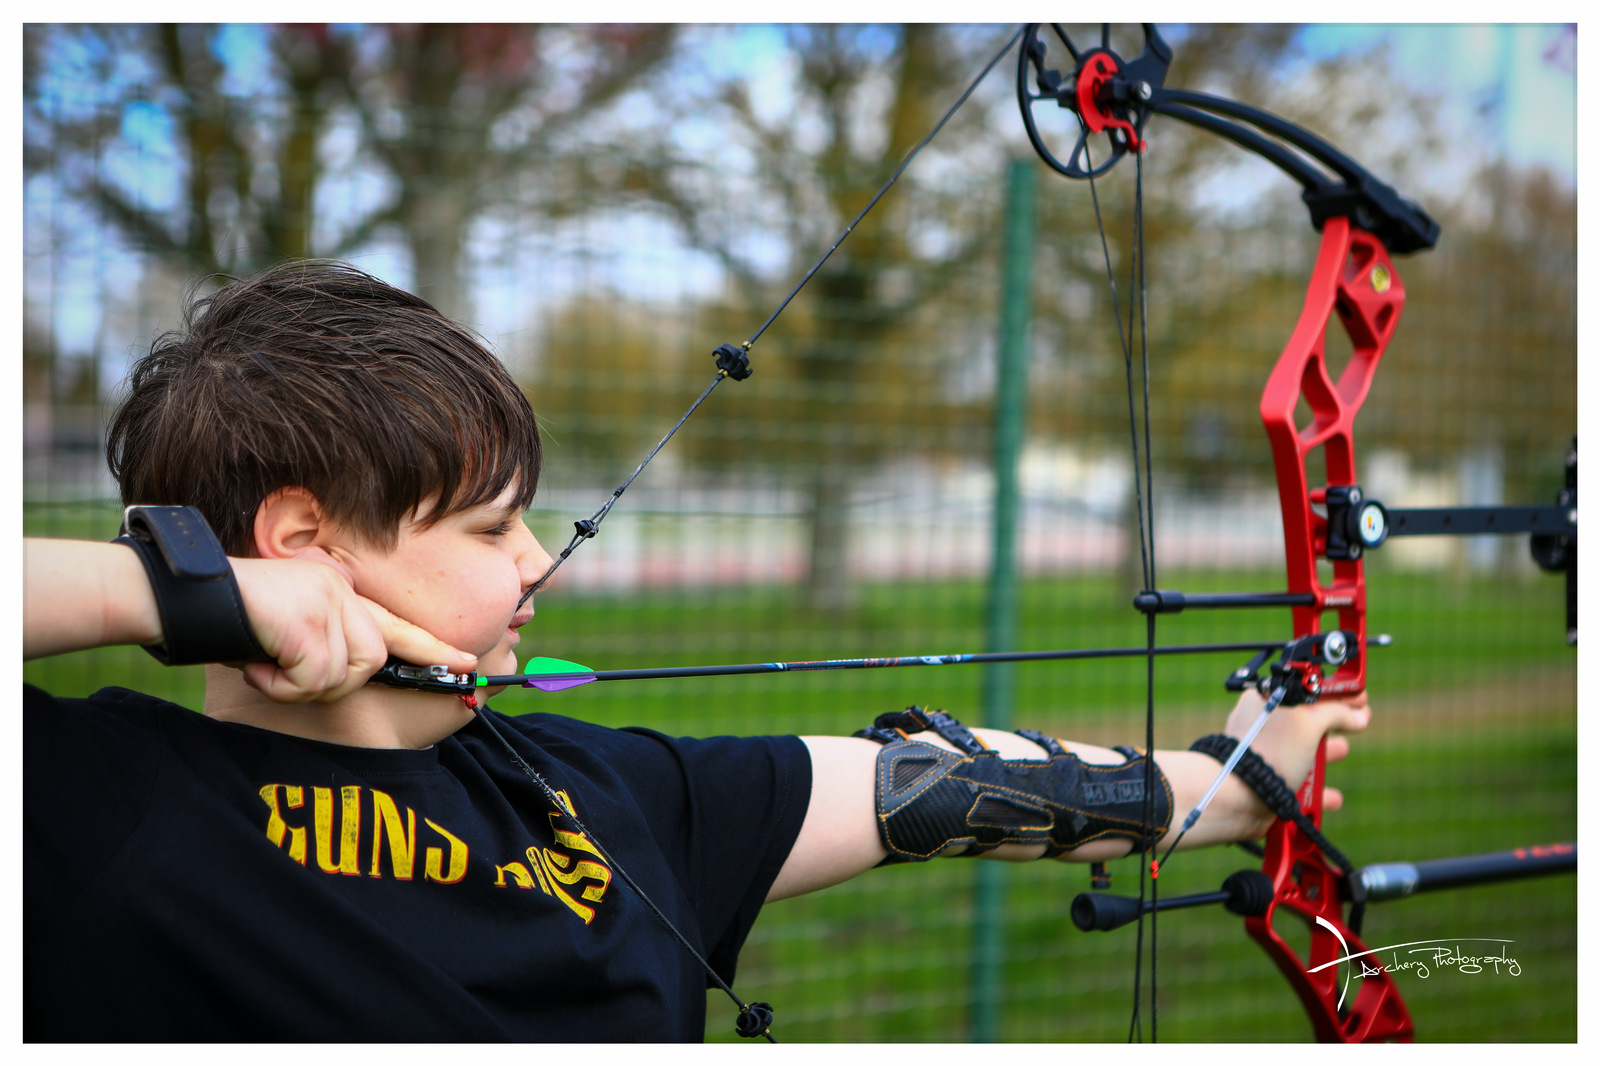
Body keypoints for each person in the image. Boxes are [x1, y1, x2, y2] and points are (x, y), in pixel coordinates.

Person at [23, 261, 1370, 1041]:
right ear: (302, 544)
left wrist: (1246, 774)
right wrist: (181, 595)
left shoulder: (594, 795)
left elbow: (935, 789)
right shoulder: (96, 814)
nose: (539, 561)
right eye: (491, 527)